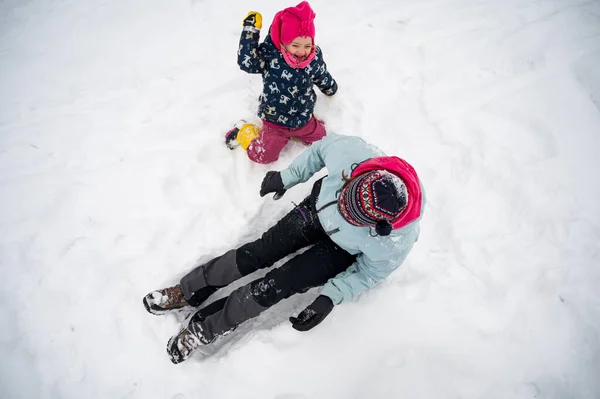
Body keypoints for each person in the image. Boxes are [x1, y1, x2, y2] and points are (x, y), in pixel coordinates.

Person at [143, 134, 425, 364]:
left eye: (351, 214)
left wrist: (330, 297)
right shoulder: (355, 155)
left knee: (278, 284)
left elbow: (369, 273)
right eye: (345, 197)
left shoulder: (395, 241)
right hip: (315, 211)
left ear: (378, 225)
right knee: (260, 251)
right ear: (358, 178)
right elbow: (320, 150)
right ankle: (192, 288)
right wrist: (289, 176)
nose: (343, 209)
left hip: (338, 250)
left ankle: (205, 328)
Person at [225, 1, 338, 164]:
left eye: (307, 45)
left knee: (324, 141)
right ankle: (243, 131)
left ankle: (299, 131)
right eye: (295, 45)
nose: (302, 51)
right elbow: (247, 62)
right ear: (283, 43)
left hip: (303, 119)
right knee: (264, 156)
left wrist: (330, 87)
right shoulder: (271, 57)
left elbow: (320, 73)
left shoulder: (313, 58)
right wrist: (250, 32)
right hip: (275, 122)